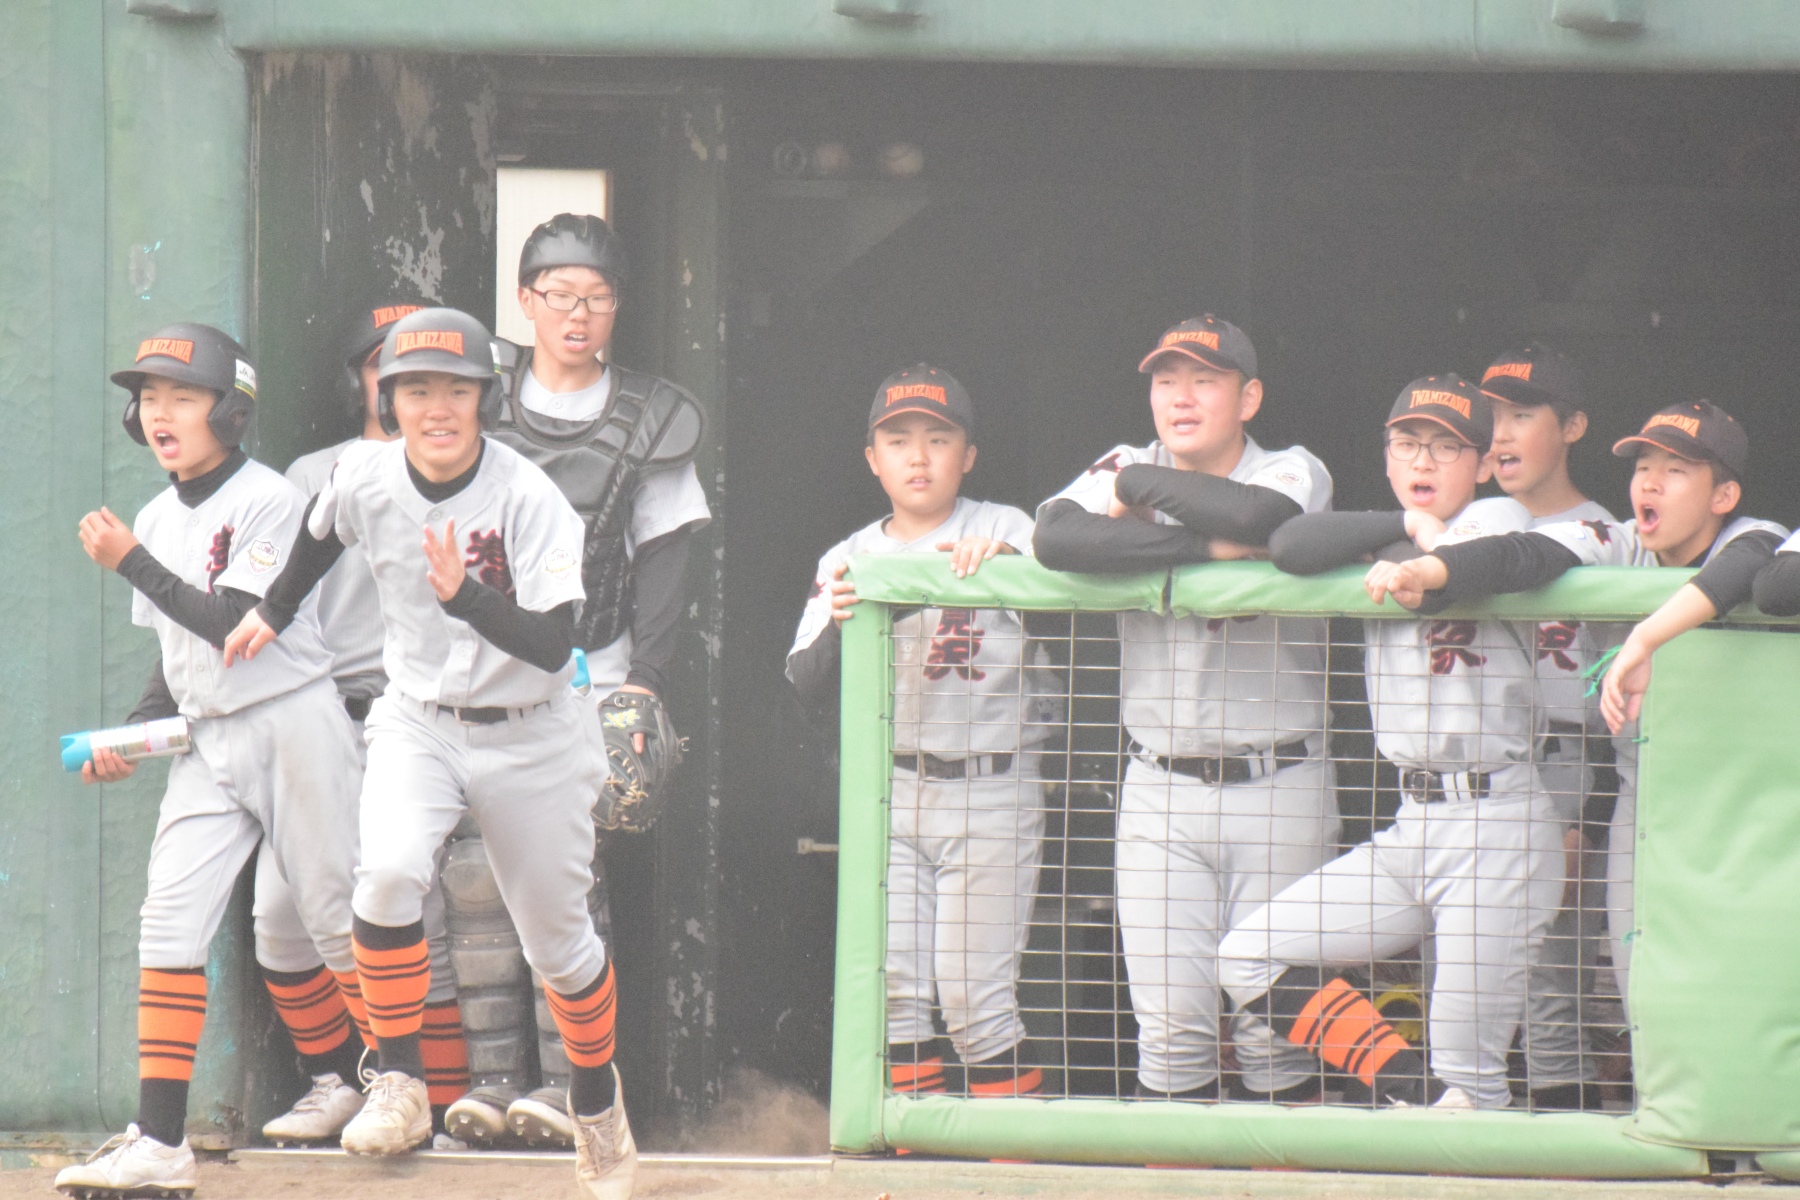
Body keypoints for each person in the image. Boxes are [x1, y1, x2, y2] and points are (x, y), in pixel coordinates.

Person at [221, 308, 636, 1198]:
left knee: (559, 943)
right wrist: (271, 611)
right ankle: (400, 1082)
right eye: (415, 390)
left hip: (532, 728)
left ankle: (598, 1101)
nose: (436, 407)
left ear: (485, 399)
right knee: (384, 878)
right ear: (388, 400)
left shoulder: (529, 496)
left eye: (456, 389)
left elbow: (555, 643)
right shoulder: (365, 474)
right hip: (418, 719)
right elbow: (320, 535)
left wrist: (467, 597)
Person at [54, 326, 363, 1198]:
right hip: (206, 736)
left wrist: (131, 563)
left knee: (337, 918)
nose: (160, 413)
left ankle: (401, 1087)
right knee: (168, 923)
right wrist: (132, 734)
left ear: (229, 410)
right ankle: (160, 1140)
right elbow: (176, 656)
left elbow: (232, 624)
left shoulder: (270, 498)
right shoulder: (156, 517)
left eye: (183, 397)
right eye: (149, 398)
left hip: (292, 719)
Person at [1364, 399, 1786, 1009]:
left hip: (1744, 803)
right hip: (1646, 798)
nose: (1650, 483)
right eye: (1643, 467)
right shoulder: (1618, 539)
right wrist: (1431, 570)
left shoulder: (1751, 535)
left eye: (1675, 471)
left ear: (1723, 495)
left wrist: (1644, 638)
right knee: (1639, 988)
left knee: (1750, 983)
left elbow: (1745, 568)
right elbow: (1523, 554)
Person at [1222, 374, 1562, 1110]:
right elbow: (1289, 543)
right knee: (1247, 955)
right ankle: (1413, 1089)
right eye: (1408, 444)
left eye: (1447, 447)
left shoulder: (1502, 514)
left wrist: (1416, 554)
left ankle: (1451, 1112)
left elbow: (1480, 561)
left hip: (1497, 821)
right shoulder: (1384, 530)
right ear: (1386, 456)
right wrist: (1403, 527)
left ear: (1483, 463)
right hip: (1413, 827)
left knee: (1473, 1076)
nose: (1424, 461)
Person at [441, 213, 707, 1149]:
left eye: (595, 296)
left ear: (616, 305)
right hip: (477, 667)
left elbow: (666, 559)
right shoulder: (477, 402)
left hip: (592, 669)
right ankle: (491, 1082)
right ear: (526, 300)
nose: (577, 312)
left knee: (567, 879)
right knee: (473, 879)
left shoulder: (653, 415)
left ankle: (566, 1088)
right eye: (559, 294)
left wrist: (649, 683)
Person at [1034, 315, 1338, 1103]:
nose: (1182, 397)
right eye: (1166, 381)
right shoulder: (1127, 457)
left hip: (1280, 781)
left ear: (1249, 398)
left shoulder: (1292, 468)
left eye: (1205, 381)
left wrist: (1135, 494)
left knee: (1276, 1039)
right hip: (1161, 787)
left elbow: (1255, 519)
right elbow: (1056, 538)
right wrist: (1197, 551)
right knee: (1172, 1035)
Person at [788, 365, 1054, 1097]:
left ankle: (1010, 1157)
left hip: (992, 782)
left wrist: (1012, 570)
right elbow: (805, 686)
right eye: (898, 440)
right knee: (895, 997)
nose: (918, 456)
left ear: (968, 455)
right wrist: (850, 620)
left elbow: (1079, 626)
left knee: (976, 1005)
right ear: (872, 459)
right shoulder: (847, 557)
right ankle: (916, 1157)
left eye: (938, 439)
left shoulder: (1007, 528)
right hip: (893, 789)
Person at [265, 296, 473, 1146]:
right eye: (385, 364)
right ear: (363, 379)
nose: (405, 382)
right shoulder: (314, 473)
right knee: (281, 915)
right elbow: (276, 601)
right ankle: (341, 1079)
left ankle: (440, 1103)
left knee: (421, 914)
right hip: (325, 709)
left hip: (426, 716)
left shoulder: (472, 471)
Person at [1479, 344, 1615, 1111]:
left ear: (1572, 427)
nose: (1501, 434)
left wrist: (1588, 817)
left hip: (1566, 765)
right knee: (1470, 979)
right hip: (1475, 775)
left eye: (1522, 415)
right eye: (1492, 416)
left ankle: (1566, 1157)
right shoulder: (1457, 529)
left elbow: (1626, 707)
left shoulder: (1609, 535)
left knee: (1553, 985)